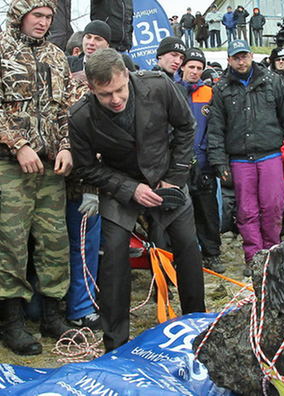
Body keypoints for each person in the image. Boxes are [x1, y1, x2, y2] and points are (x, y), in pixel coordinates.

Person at [69, 48, 206, 352]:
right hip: (120, 186)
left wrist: (175, 177)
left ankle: (199, 328)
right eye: (105, 95)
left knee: (186, 244)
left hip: (167, 175)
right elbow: (86, 167)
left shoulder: (158, 85)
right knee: (114, 255)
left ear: (128, 77)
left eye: (120, 90)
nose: (115, 99)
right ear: (91, 88)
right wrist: (129, 188)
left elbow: (187, 127)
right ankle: (115, 344)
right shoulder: (80, 117)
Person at [0, 0, 79, 356]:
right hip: (10, 167)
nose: (44, 23)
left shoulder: (57, 56)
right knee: (11, 244)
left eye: (49, 17)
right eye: (38, 16)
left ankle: (53, 315)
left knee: (54, 241)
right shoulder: (2, 50)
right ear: (20, 15)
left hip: (50, 166)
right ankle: (12, 323)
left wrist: (66, 146)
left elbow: (64, 108)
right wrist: (17, 145)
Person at [208, 40, 284, 271]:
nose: (241, 61)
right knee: (246, 210)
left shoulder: (273, 81)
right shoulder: (220, 89)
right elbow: (216, 128)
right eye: (236, 57)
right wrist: (219, 161)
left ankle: (273, 253)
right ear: (229, 60)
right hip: (240, 159)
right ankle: (253, 258)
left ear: (251, 55)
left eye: (244, 56)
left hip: (269, 155)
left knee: (273, 206)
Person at [176, 47, 225, 274]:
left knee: (208, 211)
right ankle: (181, 254)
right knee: (180, 212)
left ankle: (211, 253)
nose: (195, 71)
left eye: (199, 68)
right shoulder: (173, 90)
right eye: (191, 67)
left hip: (204, 162)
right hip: (177, 163)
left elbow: (215, 127)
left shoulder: (209, 93)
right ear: (183, 66)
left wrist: (206, 154)